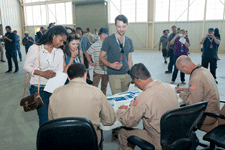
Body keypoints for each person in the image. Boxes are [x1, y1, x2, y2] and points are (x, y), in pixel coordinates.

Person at [48, 63, 116, 145]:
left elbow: (51, 121)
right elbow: (110, 120)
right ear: (85, 74)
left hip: (63, 140)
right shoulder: (96, 92)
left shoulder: (56, 93)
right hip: (89, 141)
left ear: (68, 78)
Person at [117, 63, 179, 150]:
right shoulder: (169, 87)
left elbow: (129, 122)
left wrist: (122, 111)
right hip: (177, 136)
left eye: (134, 83)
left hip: (159, 141)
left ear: (137, 80)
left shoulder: (143, 97)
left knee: (123, 133)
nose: (135, 85)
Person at [23, 25, 68, 126]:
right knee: (44, 120)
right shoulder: (35, 49)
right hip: (39, 90)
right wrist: (42, 73)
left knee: (55, 118)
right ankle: (44, 141)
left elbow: (60, 70)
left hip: (54, 90)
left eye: (63, 42)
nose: (61, 44)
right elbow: (26, 66)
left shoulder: (59, 52)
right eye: (60, 40)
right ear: (53, 36)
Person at [175, 55, 220, 132]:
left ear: (185, 67)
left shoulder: (195, 79)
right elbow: (198, 89)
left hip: (207, 116)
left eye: (181, 70)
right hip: (214, 110)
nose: (183, 72)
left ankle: (188, 141)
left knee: (176, 118)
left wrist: (183, 96)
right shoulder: (203, 70)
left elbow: (192, 104)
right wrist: (183, 89)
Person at [99, 14, 134, 95]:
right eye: (119, 26)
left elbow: (130, 59)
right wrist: (110, 65)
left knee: (125, 96)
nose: (121, 29)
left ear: (127, 26)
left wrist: (132, 74)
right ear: (115, 26)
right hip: (114, 74)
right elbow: (101, 57)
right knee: (117, 98)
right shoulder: (108, 40)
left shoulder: (129, 41)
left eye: (124, 26)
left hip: (126, 74)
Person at [85, 28, 109, 95]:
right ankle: (94, 99)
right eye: (103, 34)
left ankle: (103, 99)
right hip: (97, 70)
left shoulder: (109, 45)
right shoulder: (95, 45)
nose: (105, 36)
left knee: (104, 87)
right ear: (99, 35)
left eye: (106, 34)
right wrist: (91, 63)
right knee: (94, 87)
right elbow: (87, 54)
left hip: (106, 71)